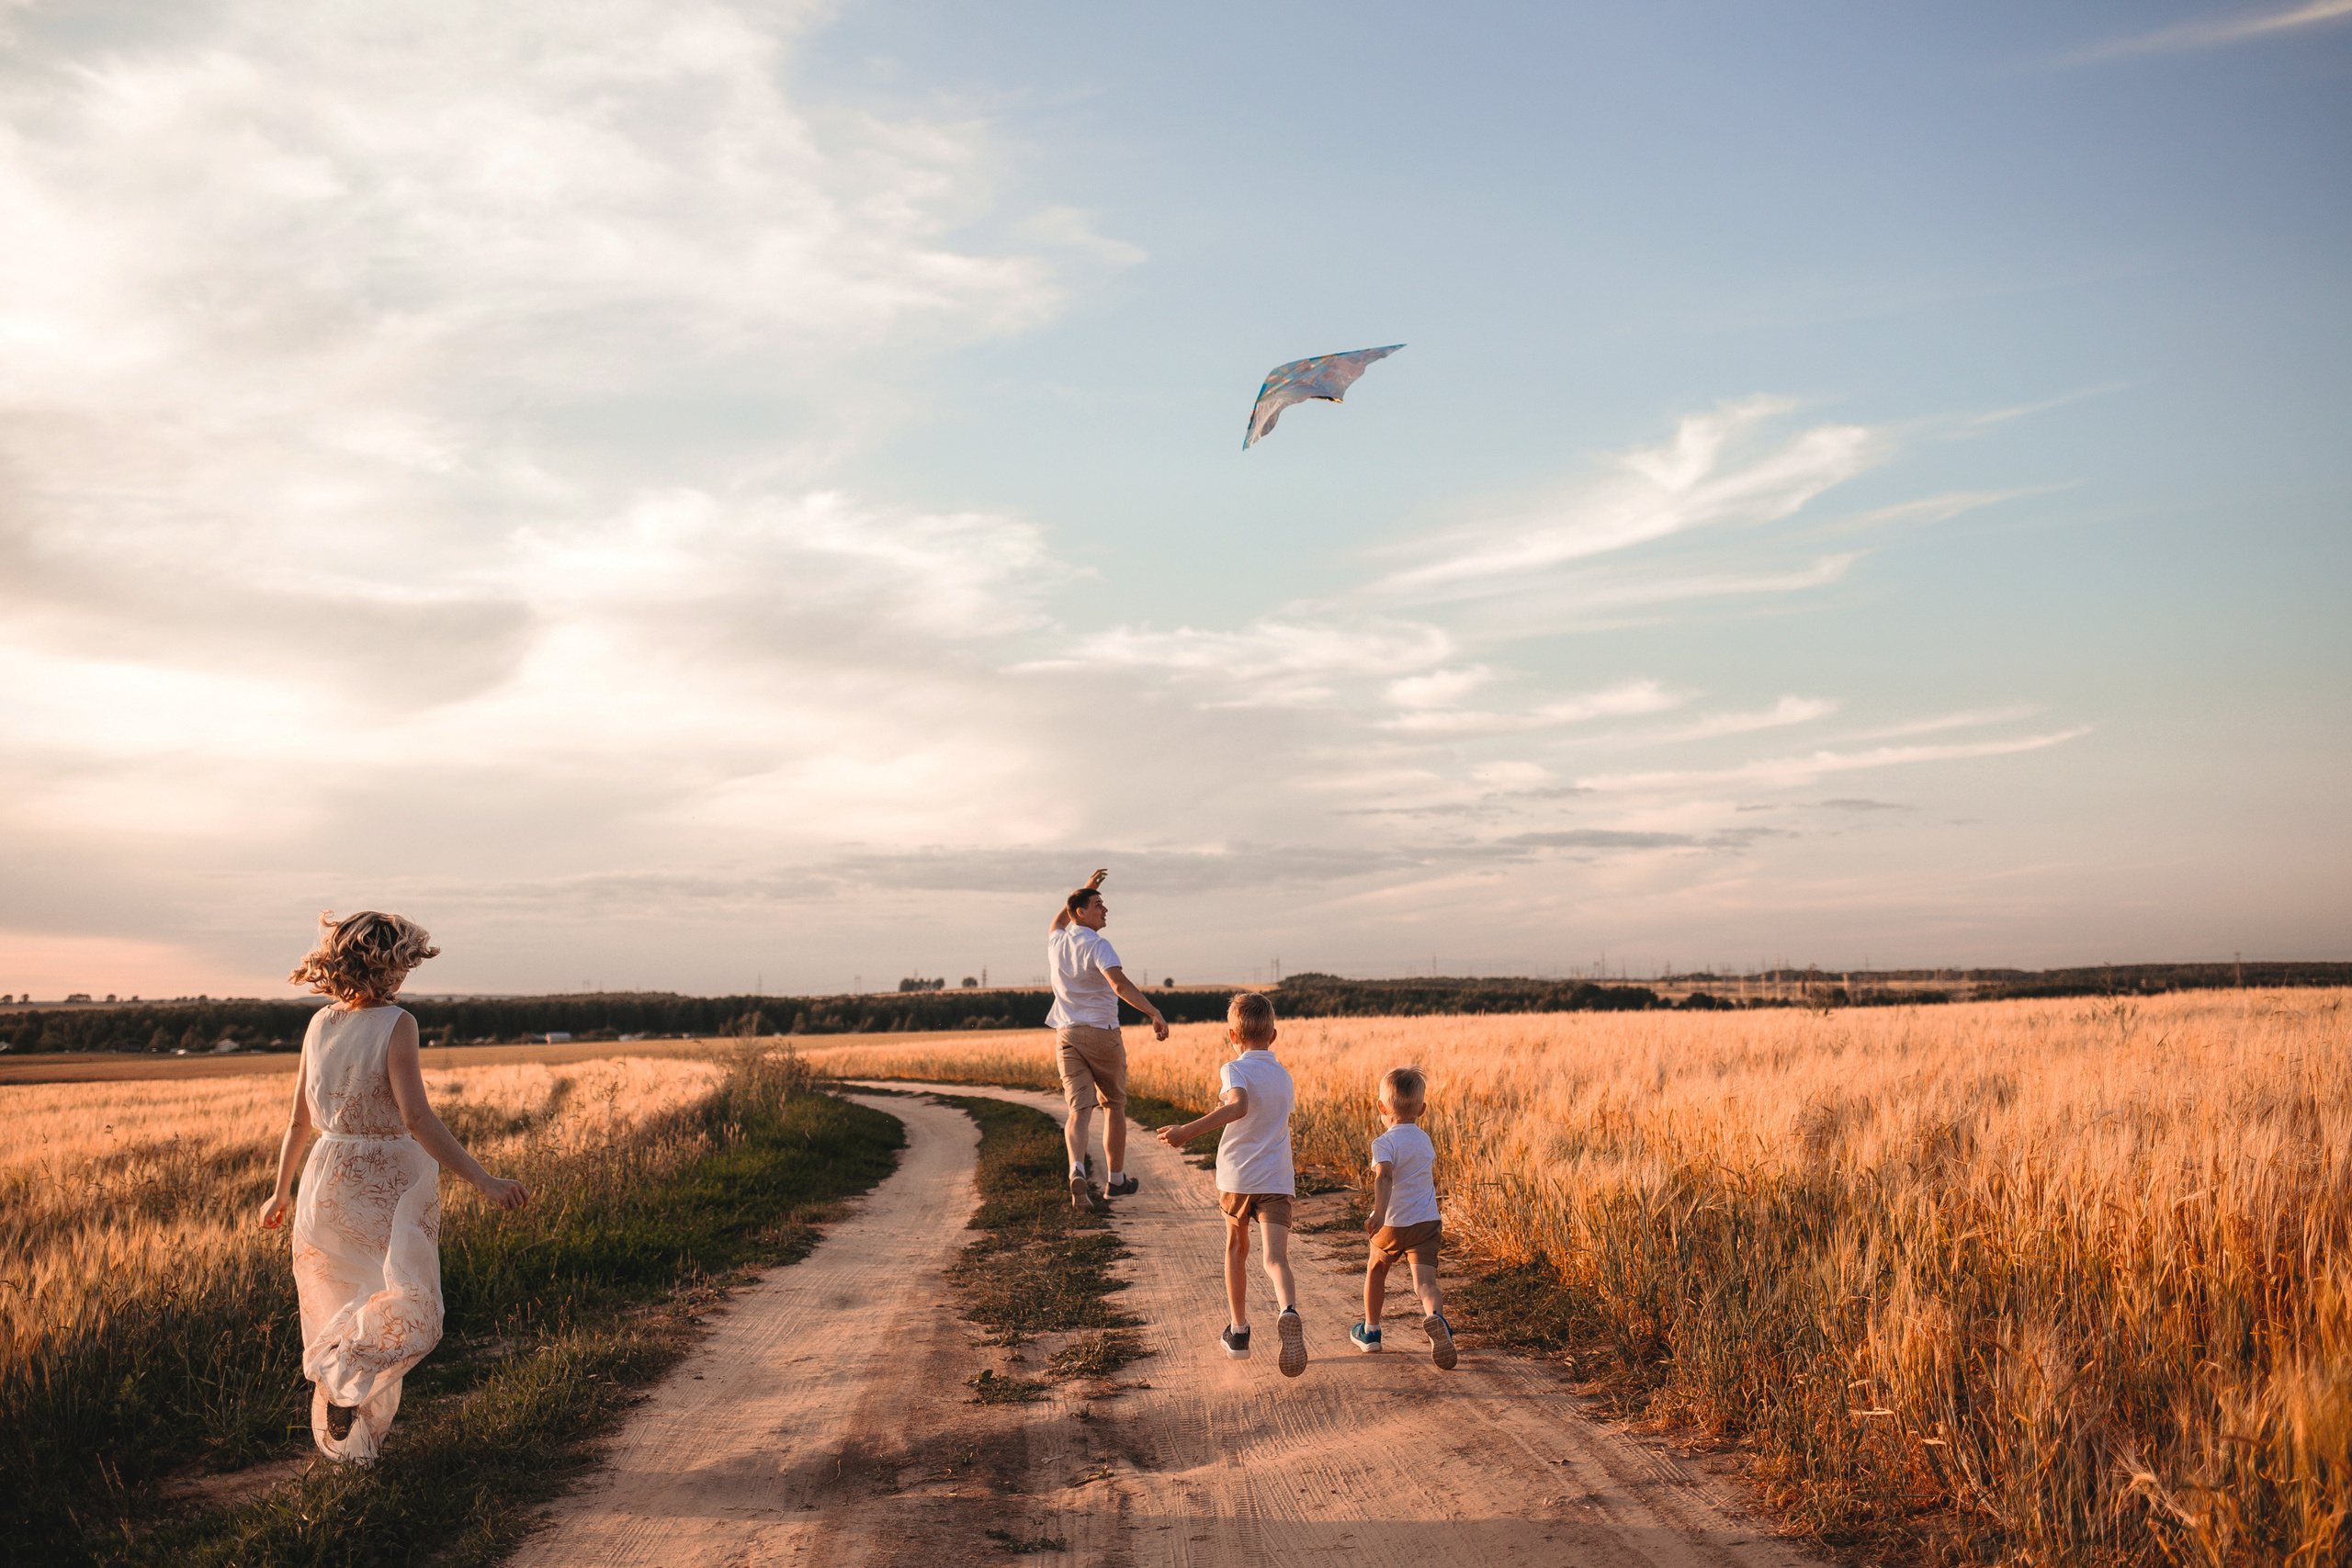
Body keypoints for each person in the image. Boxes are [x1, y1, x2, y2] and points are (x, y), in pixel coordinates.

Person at [258, 910, 530, 1461]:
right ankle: (343, 1375)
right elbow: (417, 1119)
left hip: (325, 1180)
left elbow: (298, 1121)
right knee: (412, 1305)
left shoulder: (319, 1024)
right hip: (387, 1184)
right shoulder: (397, 1023)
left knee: (341, 1302)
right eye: (405, 962)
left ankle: (356, 1447)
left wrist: (281, 1190)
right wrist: (484, 1180)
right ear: (391, 965)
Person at [1156, 992, 1307, 1377]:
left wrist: (1185, 1132)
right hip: (1276, 1178)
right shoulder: (1284, 1075)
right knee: (1276, 1259)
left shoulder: (1233, 1069)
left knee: (1237, 1248)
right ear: (1273, 1036)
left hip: (1239, 1178)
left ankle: (1239, 1333)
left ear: (1232, 1035)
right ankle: (1287, 1310)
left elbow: (1238, 1106)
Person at [1046, 868, 1169, 1211]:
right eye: (1098, 905)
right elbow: (1120, 985)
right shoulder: (1099, 946)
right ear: (1081, 913)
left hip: (1066, 1035)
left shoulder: (1057, 941)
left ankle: (1076, 1169)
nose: (1105, 910)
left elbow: (1060, 918)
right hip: (1102, 1034)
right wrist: (1153, 1012)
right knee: (1113, 1105)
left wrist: (1085, 889)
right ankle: (1115, 1181)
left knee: (1078, 1110)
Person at [1351, 1066, 1456, 1369]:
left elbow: (1384, 1177)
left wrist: (1379, 1214)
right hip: (1425, 1223)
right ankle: (1436, 1320)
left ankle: (1371, 1332)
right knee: (1425, 1284)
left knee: (1376, 1268)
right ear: (1422, 1109)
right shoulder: (1424, 1140)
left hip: (1393, 1224)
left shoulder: (1383, 1143)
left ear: (1381, 1107)